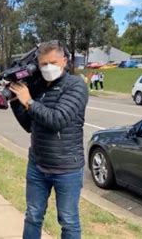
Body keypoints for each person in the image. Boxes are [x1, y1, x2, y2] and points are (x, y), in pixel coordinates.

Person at [9, 40, 88, 239]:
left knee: (68, 220)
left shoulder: (76, 86)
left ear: (64, 60)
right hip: (37, 165)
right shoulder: (38, 87)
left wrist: (28, 101)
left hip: (67, 168)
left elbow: (57, 120)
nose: (48, 67)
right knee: (33, 216)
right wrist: (17, 102)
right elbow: (29, 125)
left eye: (52, 62)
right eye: (43, 64)